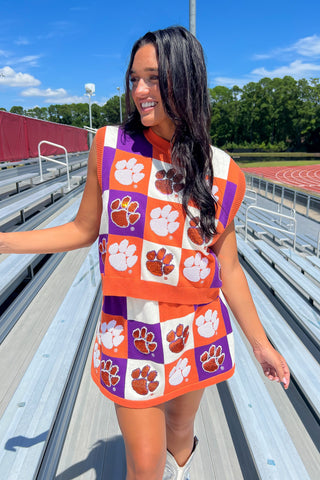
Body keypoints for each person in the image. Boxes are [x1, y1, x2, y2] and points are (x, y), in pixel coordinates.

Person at [0, 26, 290, 480]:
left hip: (196, 329)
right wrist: (5, 242)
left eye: (153, 78)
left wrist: (262, 345)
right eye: (134, 78)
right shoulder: (110, 146)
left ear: (186, 79)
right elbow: (82, 229)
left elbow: (228, 268)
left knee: (180, 432)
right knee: (144, 461)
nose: (139, 90)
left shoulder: (224, 171)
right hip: (131, 325)